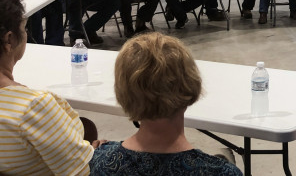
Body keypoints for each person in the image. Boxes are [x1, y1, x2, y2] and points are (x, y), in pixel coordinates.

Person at [89, 32, 242, 175]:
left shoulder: (102, 163)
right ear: (190, 84)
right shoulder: (222, 172)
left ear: (123, 91)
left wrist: (100, 151)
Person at [0, 0, 97, 175]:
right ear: (10, 40)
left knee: (86, 126)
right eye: (25, 29)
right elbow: (83, 172)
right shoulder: (33, 106)